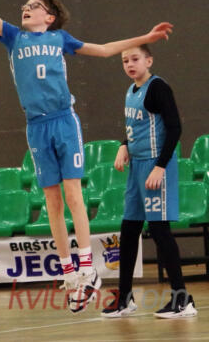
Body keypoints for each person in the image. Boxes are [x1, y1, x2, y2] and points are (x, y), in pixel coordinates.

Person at [0, 0, 174, 313]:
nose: (25, 9)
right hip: (36, 126)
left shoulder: (61, 39)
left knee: (74, 194)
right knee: (52, 201)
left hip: (63, 120)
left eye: (33, 6)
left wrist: (145, 37)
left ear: (49, 16)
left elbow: (105, 49)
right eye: (24, 6)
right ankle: (70, 273)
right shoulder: (13, 37)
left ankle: (88, 269)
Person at [101, 45, 197, 319]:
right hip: (137, 166)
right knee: (129, 229)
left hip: (156, 165)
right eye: (125, 60)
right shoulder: (131, 91)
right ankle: (124, 299)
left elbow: (175, 128)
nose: (130, 64)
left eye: (135, 59)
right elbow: (137, 127)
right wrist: (124, 145)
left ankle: (183, 299)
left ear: (149, 60)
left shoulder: (158, 88)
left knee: (159, 230)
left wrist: (160, 166)